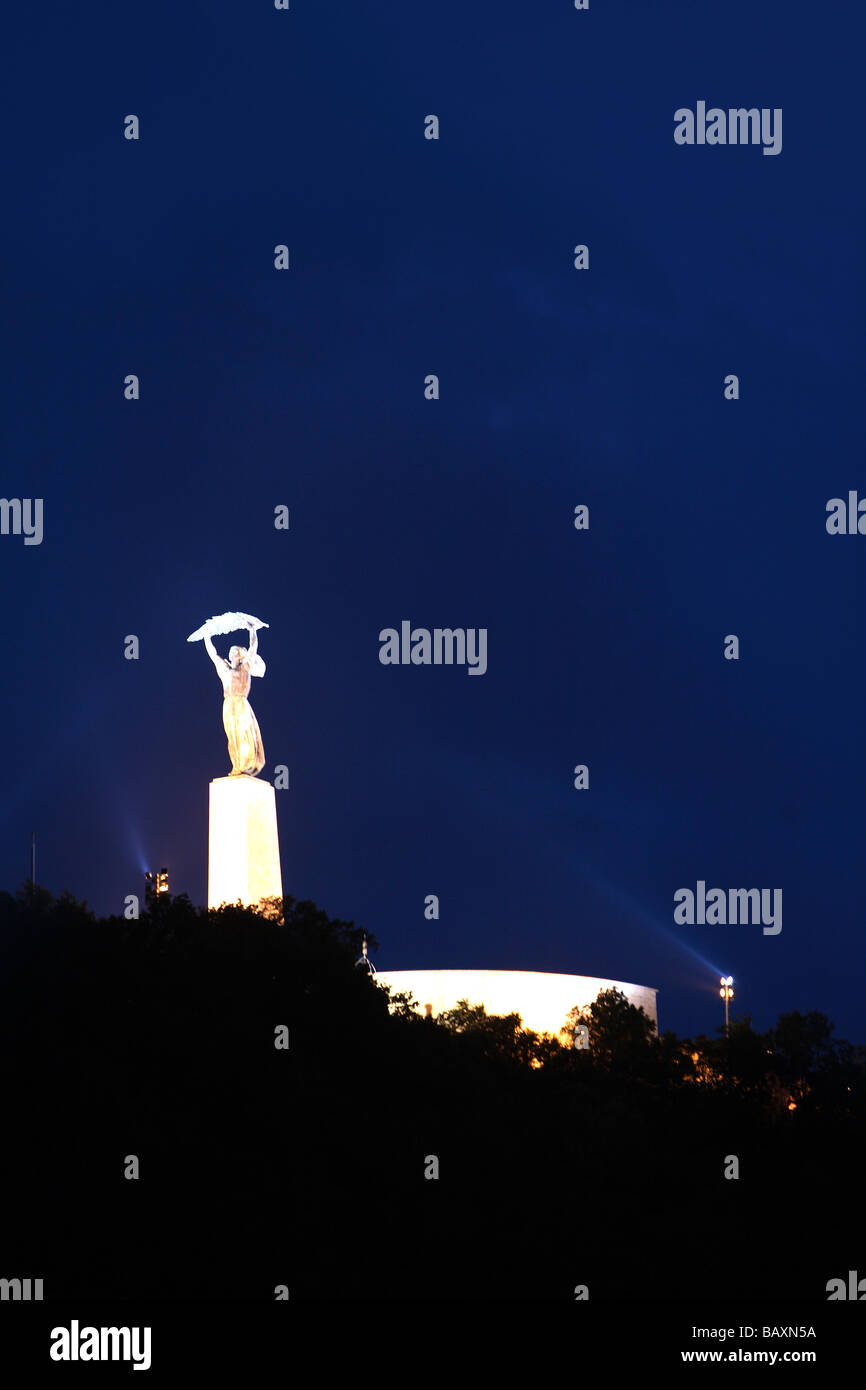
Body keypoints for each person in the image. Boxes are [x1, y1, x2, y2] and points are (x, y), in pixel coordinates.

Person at [203, 619, 266, 776]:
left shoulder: (245, 667)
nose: (230, 653)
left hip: (241, 702)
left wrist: (252, 630)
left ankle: (247, 764)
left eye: (234, 651)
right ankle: (237, 765)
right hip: (228, 703)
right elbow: (213, 654)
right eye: (230, 651)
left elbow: (253, 648)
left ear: (239, 654)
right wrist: (207, 636)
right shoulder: (224, 669)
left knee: (244, 733)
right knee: (232, 735)